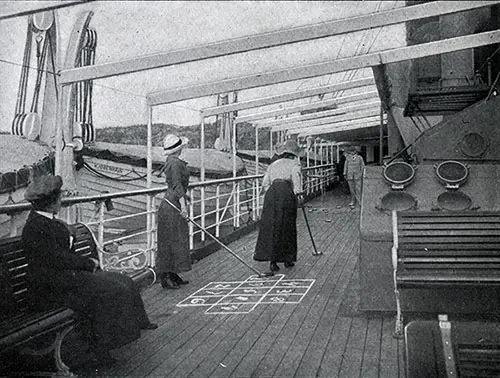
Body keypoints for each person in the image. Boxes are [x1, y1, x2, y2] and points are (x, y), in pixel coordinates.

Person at [21, 174, 157, 367]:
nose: (61, 199)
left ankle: (121, 335)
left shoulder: (47, 222)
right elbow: (56, 259)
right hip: (48, 289)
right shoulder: (36, 227)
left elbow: (60, 257)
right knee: (106, 293)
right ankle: (100, 350)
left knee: (120, 283)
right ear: (51, 202)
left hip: (62, 280)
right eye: (59, 197)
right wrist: (87, 263)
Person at [254, 139, 304, 272]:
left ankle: (273, 261)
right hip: (286, 193)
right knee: (287, 225)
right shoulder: (295, 164)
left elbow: (265, 183)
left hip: (272, 193)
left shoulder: (273, 164)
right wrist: (299, 194)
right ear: (294, 154)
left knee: (272, 226)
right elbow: (296, 180)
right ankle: (288, 259)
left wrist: (271, 191)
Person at [156, 134, 191, 289]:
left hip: (172, 201)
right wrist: (183, 206)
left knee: (175, 239)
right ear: (179, 148)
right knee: (170, 240)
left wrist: (185, 197)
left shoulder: (172, 162)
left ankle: (173, 273)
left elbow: (176, 186)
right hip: (172, 205)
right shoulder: (175, 163)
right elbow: (176, 184)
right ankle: (166, 277)